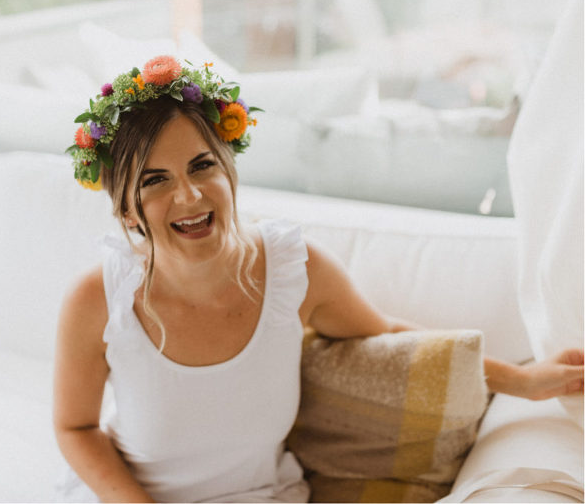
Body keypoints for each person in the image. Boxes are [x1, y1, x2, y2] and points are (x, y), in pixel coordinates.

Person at [53, 56, 584, 503]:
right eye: (155, 180)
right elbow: (74, 428)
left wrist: (523, 379)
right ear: (125, 211)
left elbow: (389, 337)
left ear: (228, 170)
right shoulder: (98, 300)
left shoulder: (291, 269)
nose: (189, 196)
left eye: (201, 166)